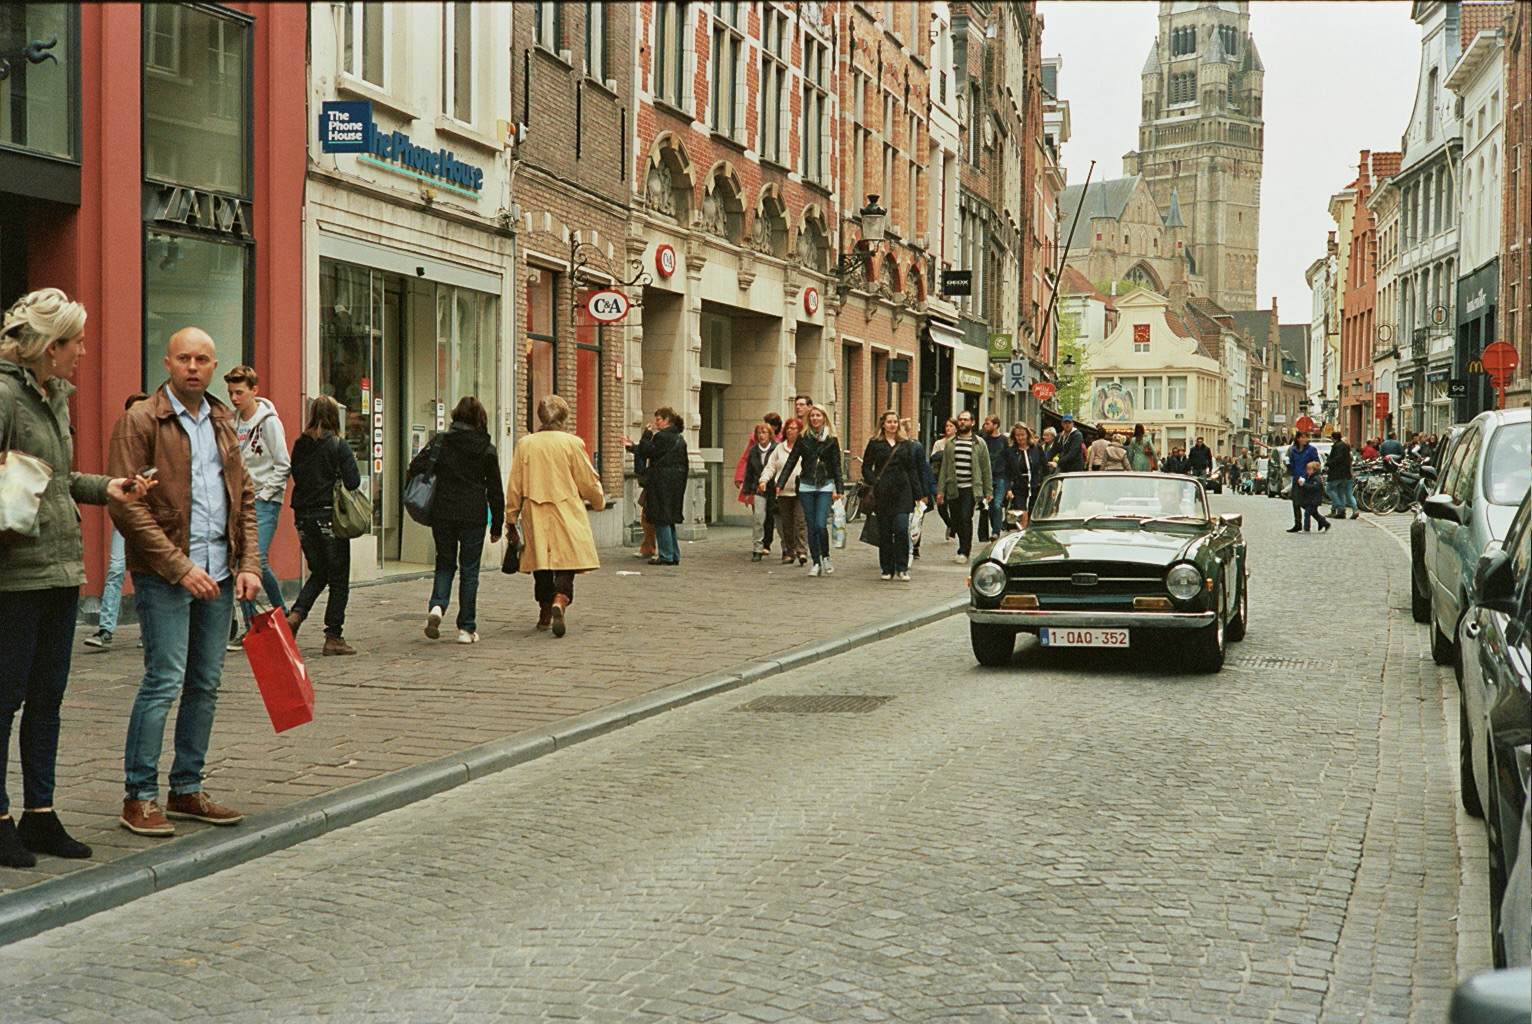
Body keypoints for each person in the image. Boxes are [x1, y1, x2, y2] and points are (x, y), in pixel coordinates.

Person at [0, 289, 153, 865]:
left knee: (47, 699)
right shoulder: (4, 396)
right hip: (14, 575)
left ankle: (41, 814)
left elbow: (55, 479)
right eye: (77, 342)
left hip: (61, 569)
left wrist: (107, 487)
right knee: (5, 699)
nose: (84, 352)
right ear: (48, 346)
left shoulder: (53, 397)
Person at [109, 326, 261, 837]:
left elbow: (244, 499)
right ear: (168, 363)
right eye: (184, 358)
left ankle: (187, 788)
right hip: (166, 576)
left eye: (203, 359)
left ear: (215, 367)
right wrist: (180, 567)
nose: (193, 367)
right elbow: (127, 508)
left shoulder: (223, 419)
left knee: (205, 684)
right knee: (164, 681)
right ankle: (139, 796)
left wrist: (250, 566)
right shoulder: (141, 420)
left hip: (219, 573)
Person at [505, 395, 604, 637]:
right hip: (566, 508)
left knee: (541, 562)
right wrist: (598, 499)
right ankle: (561, 598)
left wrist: (510, 516)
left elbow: (515, 483)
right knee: (566, 560)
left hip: (534, 509)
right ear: (564, 417)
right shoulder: (572, 443)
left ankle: (545, 609)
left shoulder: (526, 444)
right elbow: (586, 478)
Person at [411, 396, 503, 644]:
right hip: (473, 514)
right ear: (480, 419)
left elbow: (415, 467)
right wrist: (497, 525)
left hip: (443, 513)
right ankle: (466, 628)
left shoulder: (441, 442)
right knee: (470, 571)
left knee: (444, 563)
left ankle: (437, 607)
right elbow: (495, 489)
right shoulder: (486, 449)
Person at [285, 394, 361, 656]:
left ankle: (296, 614)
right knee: (339, 578)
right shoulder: (338, 445)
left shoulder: (300, 444)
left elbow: (296, 473)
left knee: (319, 571)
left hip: (303, 518)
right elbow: (353, 482)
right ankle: (333, 636)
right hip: (330, 518)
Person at [224, 366, 290, 643]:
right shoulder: (232, 422)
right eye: (230, 393)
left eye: (239, 392)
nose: (234, 398)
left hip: (263, 500)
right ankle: (272, 617)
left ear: (254, 391)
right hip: (239, 501)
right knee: (243, 562)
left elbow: (283, 463)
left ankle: (270, 620)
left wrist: (265, 494)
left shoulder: (268, 422)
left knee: (255, 560)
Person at [85, 392, 151, 650]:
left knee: (145, 574)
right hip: (125, 512)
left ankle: (148, 631)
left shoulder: (157, 440)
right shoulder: (121, 442)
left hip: (149, 515)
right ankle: (105, 629)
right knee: (115, 569)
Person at [776, 405, 843, 577]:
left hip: (825, 485)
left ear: (824, 418)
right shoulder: (803, 438)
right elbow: (792, 461)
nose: (815, 418)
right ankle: (816, 562)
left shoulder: (831, 439)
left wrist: (840, 488)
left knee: (821, 524)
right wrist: (781, 482)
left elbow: (836, 465)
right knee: (811, 526)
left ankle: (826, 556)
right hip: (806, 485)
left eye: (818, 415)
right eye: (812, 416)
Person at [624, 407, 687, 565]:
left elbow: (646, 451)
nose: (656, 422)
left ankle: (666, 555)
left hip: (661, 483)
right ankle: (674, 555)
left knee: (660, 519)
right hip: (676, 484)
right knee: (669, 519)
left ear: (666, 420)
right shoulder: (680, 439)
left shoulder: (662, 437)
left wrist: (646, 434)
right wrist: (633, 447)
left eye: (658, 419)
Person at [934, 409, 993, 564]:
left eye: (965, 420)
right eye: (960, 419)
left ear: (972, 423)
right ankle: (962, 545)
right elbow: (944, 468)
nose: (962, 422)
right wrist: (940, 491)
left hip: (970, 487)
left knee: (966, 518)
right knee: (956, 519)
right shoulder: (950, 444)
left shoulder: (980, 443)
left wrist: (988, 491)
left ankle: (964, 551)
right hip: (953, 487)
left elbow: (986, 468)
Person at [869, 418, 923, 581]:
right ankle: (887, 568)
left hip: (902, 492)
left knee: (901, 529)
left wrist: (918, 494)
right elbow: (866, 467)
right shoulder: (875, 443)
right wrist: (874, 482)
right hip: (883, 493)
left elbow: (912, 469)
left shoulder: (906, 444)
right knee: (885, 531)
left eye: (895, 422)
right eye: (889, 422)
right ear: (883, 424)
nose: (892, 424)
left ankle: (902, 567)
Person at [760, 417, 807, 565]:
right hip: (783, 491)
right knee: (786, 524)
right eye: (788, 428)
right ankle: (789, 551)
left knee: (800, 522)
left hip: (801, 491)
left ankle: (802, 551)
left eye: (794, 428)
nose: (790, 431)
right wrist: (764, 479)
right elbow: (771, 466)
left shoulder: (804, 447)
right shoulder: (779, 448)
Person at [738, 422, 778, 561]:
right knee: (758, 517)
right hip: (758, 489)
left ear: (769, 435)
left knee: (775, 518)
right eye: (759, 433)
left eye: (764, 433)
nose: (761, 436)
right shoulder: (753, 451)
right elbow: (749, 472)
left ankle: (783, 547)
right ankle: (757, 548)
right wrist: (747, 492)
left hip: (774, 489)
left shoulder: (776, 448)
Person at [901, 418, 938, 560]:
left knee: (915, 517)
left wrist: (924, 492)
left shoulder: (915, 447)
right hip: (900, 487)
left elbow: (923, 470)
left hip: (914, 486)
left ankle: (914, 545)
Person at [1001, 423, 1046, 529]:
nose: (1020, 438)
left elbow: (1045, 467)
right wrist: (1008, 489)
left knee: (1034, 514)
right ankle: (1023, 535)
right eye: (1017, 435)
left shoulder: (1036, 448)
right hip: (1019, 486)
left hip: (1036, 485)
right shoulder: (1010, 451)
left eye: (1022, 435)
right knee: (1022, 514)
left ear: (1027, 435)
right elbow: (1006, 472)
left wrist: (1047, 485)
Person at [1285, 429, 1321, 533]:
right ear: (1298, 438)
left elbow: (1316, 464)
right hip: (1297, 478)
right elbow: (1292, 465)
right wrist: (1287, 464)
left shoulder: (1311, 450)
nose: (1305, 439)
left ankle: (1321, 521)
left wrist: (1313, 475)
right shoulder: (1294, 450)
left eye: (1306, 437)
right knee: (1296, 503)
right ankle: (1297, 524)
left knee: (1305, 504)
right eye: (1303, 437)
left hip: (1307, 479)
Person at [979, 414, 1007, 542]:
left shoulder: (1004, 441)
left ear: (995, 425)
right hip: (986, 478)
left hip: (1000, 476)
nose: (985, 426)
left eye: (988, 423)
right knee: (989, 506)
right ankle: (993, 529)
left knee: (997, 504)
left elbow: (1009, 460)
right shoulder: (982, 440)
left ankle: (996, 531)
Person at [929, 417, 958, 539]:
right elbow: (933, 458)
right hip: (940, 478)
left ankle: (953, 531)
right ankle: (950, 524)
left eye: (951, 426)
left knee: (954, 506)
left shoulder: (959, 442)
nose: (948, 428)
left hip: (955, 479)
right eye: (947, 426)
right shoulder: (939, 443)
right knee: (941, 506)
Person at [1325, 431, 1356, 520]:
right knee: (1340, 492)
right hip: (1345, 473)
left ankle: (1341, 508)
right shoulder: (1345, 446)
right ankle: (1340, 512)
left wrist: (1328, 463)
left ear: (1332, 438)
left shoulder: (1337, 446)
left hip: (1336, 473)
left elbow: (1337, 459)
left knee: (1329, 489)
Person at [1298, 460, 1330, 532]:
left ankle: (1306, 528)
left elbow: (1314, 487)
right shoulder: (1311, 477)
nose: (1307, 471)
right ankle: (1325, 523)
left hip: (1314, 500)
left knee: (1307, 513)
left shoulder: (1316, 478)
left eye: (1309, 469)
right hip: (1311, 499)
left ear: (1314, 470)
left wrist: (1304, 485)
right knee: (1314, 513)